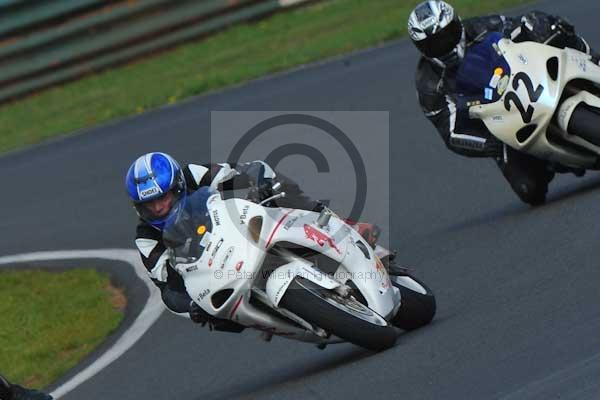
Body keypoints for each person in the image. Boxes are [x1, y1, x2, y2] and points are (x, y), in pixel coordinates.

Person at [125, 152, 385, 331]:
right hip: (213, 267)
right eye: (150, 204)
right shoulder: (146, 237)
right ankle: (275, 319)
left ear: (178, 186)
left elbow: (243, 172)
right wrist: (191, 308)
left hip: (236, 226)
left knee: (276, 186)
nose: (158, 207)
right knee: (218, 316)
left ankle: (339, 224)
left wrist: (258, 183)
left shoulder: (193, 174)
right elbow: (167, 288)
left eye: (163, 197)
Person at [408, 1, 599, 205]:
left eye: (448, 34)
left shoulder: (483, 25)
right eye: (434, 44)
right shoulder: (428, 84)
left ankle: (594, 61)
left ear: (458, 24)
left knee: (560, 34)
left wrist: (539, 26)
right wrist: (492, 144)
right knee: (530, 190)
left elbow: (517, 26)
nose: (444, 44)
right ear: (422, 48)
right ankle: (552, 161)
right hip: (498, 122)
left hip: (525, 80)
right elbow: (451, 132)